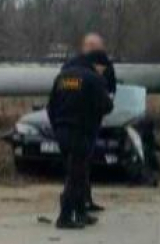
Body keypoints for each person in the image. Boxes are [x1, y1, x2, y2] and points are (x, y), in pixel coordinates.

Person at [47, 52, 114, 229]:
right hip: (82, 131)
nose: (103, 72)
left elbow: (50, 106)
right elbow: (107, 106)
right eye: (103, 68)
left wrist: (57, 126)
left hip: (62, 130)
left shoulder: (62, 77)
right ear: (98, 65)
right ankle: (65, 217)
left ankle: (80, 212)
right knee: (77, 175)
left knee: (76, 172)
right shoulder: (94, 79)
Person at [62, 33, 116, 212]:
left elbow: (110, 89)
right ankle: (73, 207)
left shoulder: (104, 66)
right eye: (91, 46)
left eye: (97, 46)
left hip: (88, 121)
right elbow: (64, 93)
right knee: (77, 166)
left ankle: (83, 202)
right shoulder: (73, 67)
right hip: (77, 122)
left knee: (83, 164)